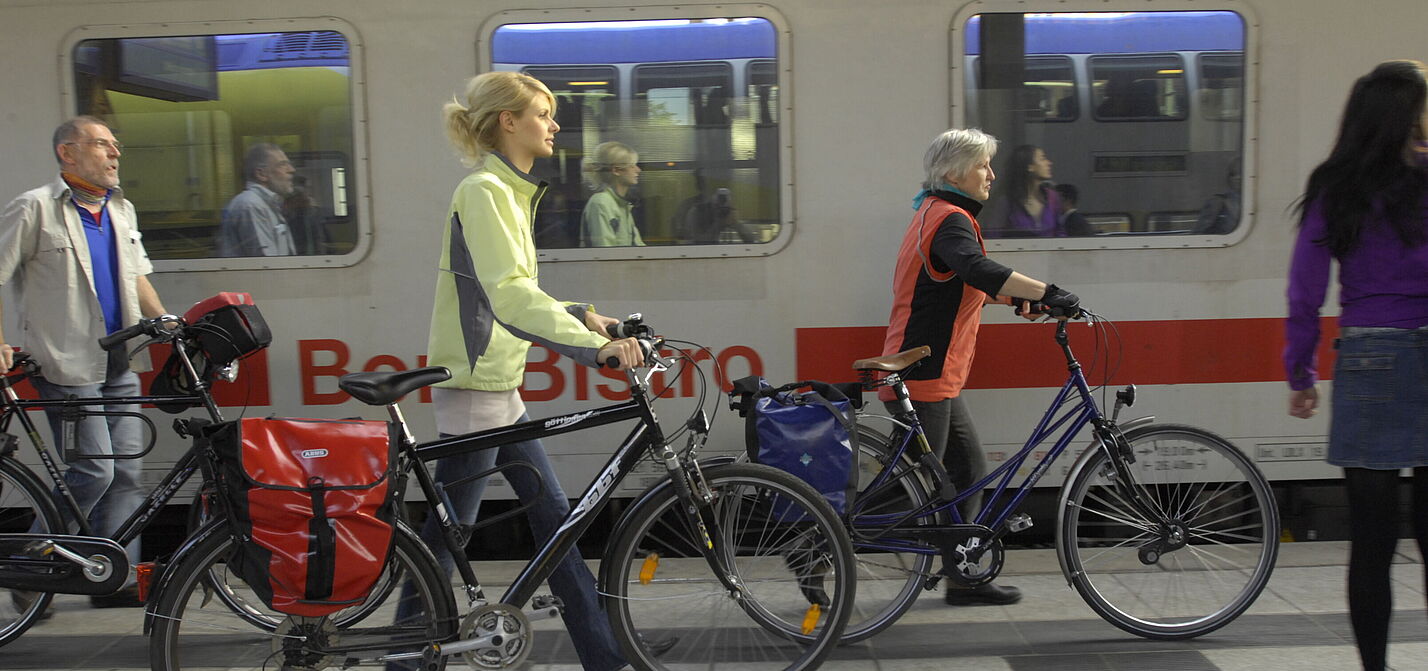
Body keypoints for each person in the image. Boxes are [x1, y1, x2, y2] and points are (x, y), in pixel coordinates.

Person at [417, 71, 645, 671]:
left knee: (554, 526)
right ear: (508, 121)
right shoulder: (485, 192)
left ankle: (603, 652)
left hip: (496, 385)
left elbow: (517, 291)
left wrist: (584, 317)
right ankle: (406, 657)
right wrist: (589, 350)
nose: (555, 124)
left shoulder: (508, 191)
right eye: (543, 113)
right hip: (474, 387)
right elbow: (509, 298)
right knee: (448, 542)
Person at [882, 128, 1081, 606]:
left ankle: (964, 576)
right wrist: (1047, 292)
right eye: (982, 166)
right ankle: (815, 538)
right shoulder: (949, 219)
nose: (992, 174)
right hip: (923, 372)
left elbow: (957, 280)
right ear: (953, 173)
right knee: (910, 484)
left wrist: (1016, 298)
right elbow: (975, 268)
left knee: (967, 468)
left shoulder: (937, 213)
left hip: (935, 371)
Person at [1284, 60, 1428, 671]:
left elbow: (1304, 289)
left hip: (1370, 357)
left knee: (1372, 542)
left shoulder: (1336, 184)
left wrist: (1301, 372)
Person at [0, 116, 169, 611]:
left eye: (117, 145)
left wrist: (167, 322)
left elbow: (137, 276)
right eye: (102, 145)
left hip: (121, 362)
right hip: (68, 364)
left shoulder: (120, 208)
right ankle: (33, 564)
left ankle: (109, 579)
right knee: (93, 470)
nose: (114, 153)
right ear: (67, 153)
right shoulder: (34, 208)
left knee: (128, 475)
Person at [215, 143, 296, 257]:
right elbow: (266, 264)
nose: (292, 169)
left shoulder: (268, 204)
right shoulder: (251, 205)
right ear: (261, 174)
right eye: (282, 164)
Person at [580, 141, 644, 247]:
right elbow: (605, 252)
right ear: (616, 170)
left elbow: (638, 246)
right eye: (632, 166)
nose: (638, 170)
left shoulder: (623, 205)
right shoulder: (601, 203)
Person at [997, 144, 1061, 237]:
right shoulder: (1007, 202)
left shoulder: (1052, 198)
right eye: (1042, 159)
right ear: (1029, 167)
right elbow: (995, 236)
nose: (1049, 163)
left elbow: (1060, 232)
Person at [1193, 158, 1242, 235]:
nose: (1237, 178)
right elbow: (1199, 234)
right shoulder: (1216, 203)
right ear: (1228, 178)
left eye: (1242, 173)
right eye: (1233, 174)